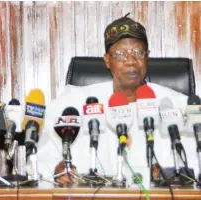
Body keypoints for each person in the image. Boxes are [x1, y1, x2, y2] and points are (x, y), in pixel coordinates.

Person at [36, 14, 198, 186]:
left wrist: (169, 172)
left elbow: (195, 162)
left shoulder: (177, 105)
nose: (131, 61)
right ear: (107, 60)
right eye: (120, 53)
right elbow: (45, 158)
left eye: (138, 52)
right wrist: (57, 169)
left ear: (147, 56)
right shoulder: (73, 103)